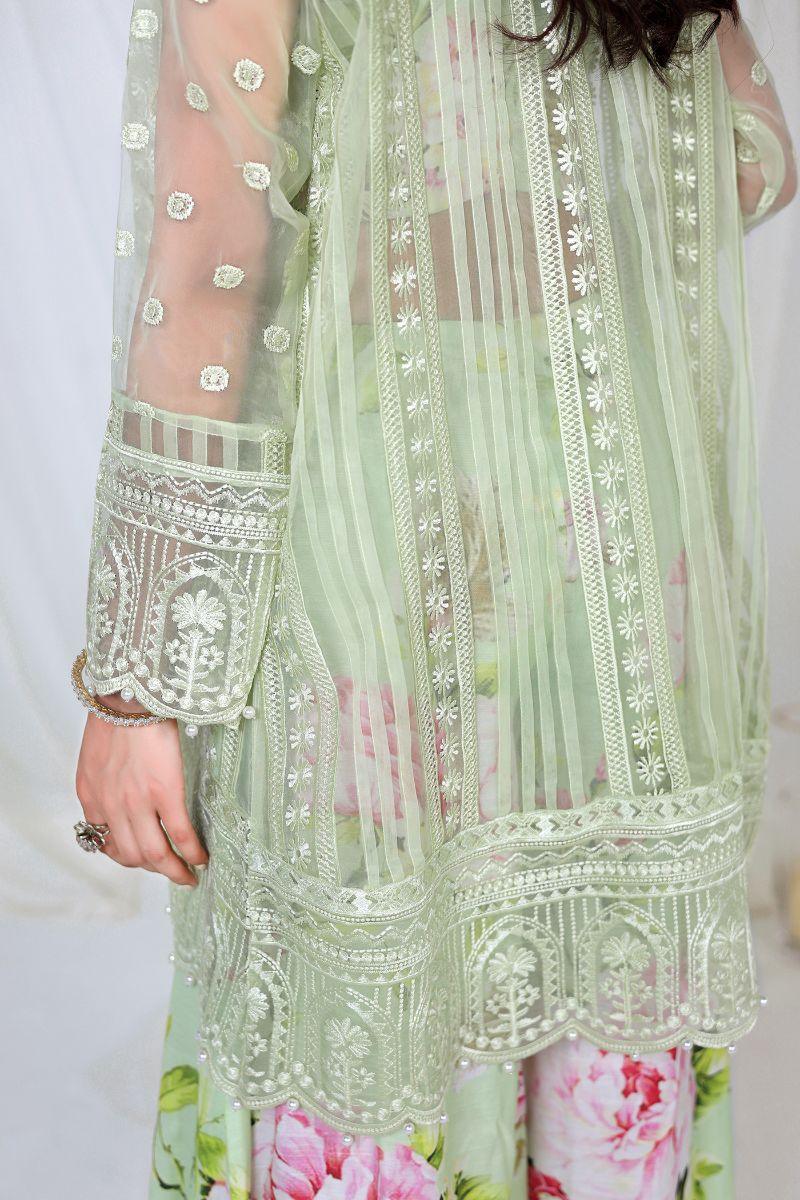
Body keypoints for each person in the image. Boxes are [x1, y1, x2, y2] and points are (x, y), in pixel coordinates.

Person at [73, 0, 796, 1195]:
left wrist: (135, 687)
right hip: (612, 531)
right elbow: (750, 156)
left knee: (381, 976)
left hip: (386, 535)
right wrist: (537, 218)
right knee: (593, 962)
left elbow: (213, 276)